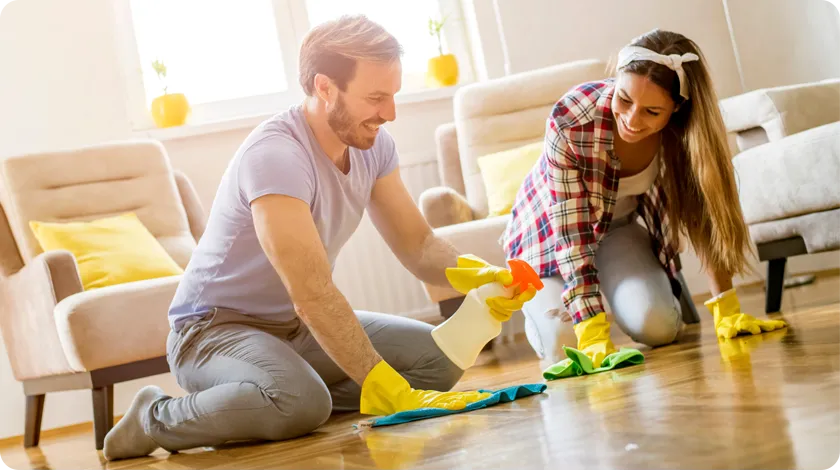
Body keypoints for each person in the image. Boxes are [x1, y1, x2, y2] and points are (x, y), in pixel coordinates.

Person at [103, 15, 534, 460]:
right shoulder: (276, 156)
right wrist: (382, 383)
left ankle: (269, 402)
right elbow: (310, 291)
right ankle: (154, 417)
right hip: (213, 330)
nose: (389, 114)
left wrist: (480, 277)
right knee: (300, 403)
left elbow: (419, 245)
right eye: (375, 97)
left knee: (436, 363)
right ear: (325, 87)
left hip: (293, 326)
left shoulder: (374, 145)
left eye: (393, 96)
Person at [501, 29, 787, 367]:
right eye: (624, 99)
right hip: (548, 235)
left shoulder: (684, 136)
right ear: (617, 78)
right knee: (565, 345)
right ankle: (540, 308)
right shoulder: (572, 118)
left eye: (652, 112)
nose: (631, 120)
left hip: (617, 230)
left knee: (659, 327)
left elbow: (703, 215)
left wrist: (727, 308)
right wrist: (591, 329)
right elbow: (573, 235)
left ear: (676, 110)